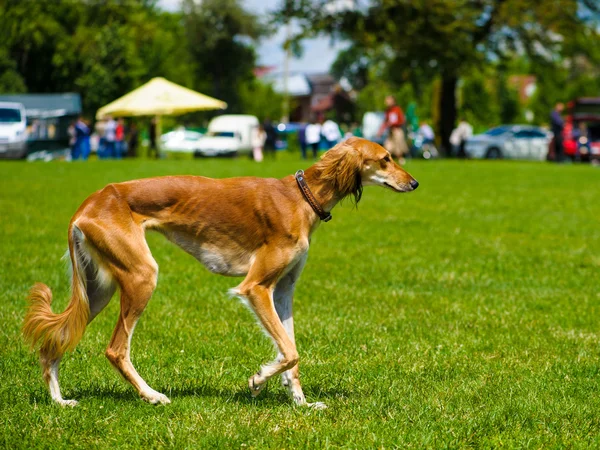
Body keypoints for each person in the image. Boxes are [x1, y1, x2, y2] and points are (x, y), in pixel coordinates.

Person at [378, 95, 408, 164]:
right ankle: (388, 161)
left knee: (398, 145)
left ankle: (401, 159)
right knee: (388, 145)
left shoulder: (397, 109)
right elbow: (385, 122)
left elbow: (401, 120)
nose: (386, 102)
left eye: (388, 100)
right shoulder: (387, 111)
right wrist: (381, 131)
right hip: (390, 130)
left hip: (397, 129)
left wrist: (393, 123)